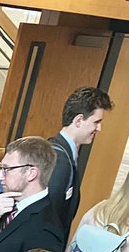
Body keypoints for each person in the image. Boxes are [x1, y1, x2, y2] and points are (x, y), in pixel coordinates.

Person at [47, 86, 113, 230]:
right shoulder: (59, 161)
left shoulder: (60, 152)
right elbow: (48, 217)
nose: (99, 128)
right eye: (96, 122)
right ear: (78, 120)